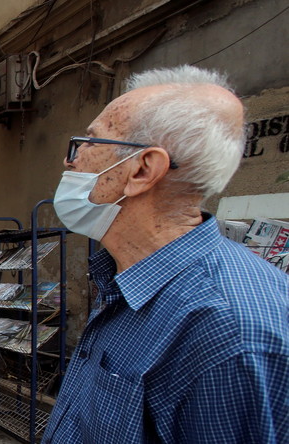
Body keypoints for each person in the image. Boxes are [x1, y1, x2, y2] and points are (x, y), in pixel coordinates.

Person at [42, 66, 289, 443]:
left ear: (142, 170)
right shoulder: (125, 281)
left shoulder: (230, 330)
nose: (70, 161)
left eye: (90, 142)